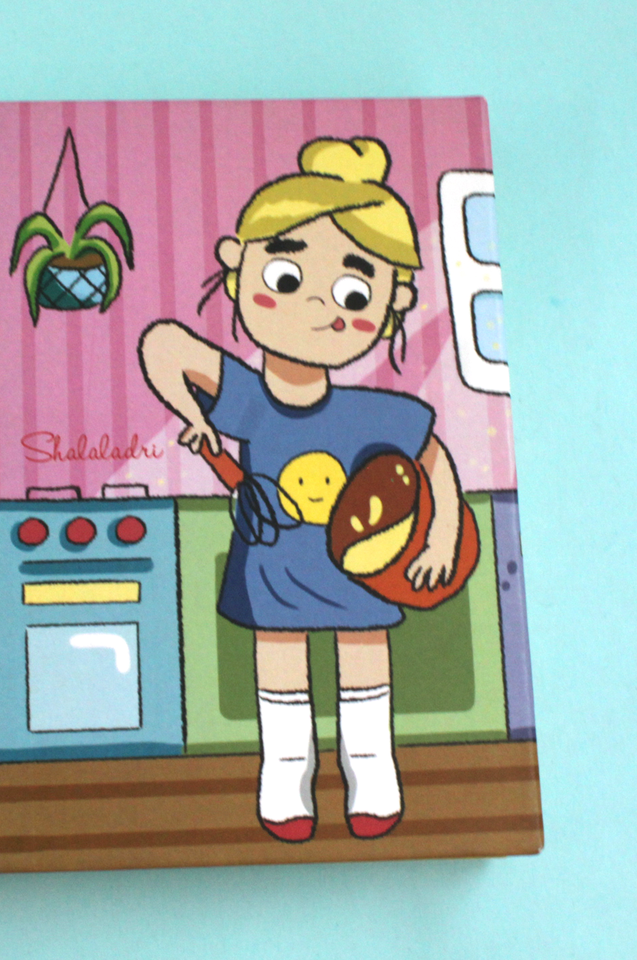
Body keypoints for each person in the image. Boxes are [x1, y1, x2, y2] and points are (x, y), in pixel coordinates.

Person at [139, 137, 464, 841]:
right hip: (274, 570)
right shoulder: (247, 401)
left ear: (393, 303)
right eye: (286, 275)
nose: (319, 303)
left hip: (361, 572)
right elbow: (164, 344)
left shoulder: (377, 414)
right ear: (235, 268)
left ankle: (371, 770)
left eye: (354, 293)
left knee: (364, 658)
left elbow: (435, 463)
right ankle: (286, 775)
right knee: (279, 665)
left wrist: (441, 536)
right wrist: (195, 414)